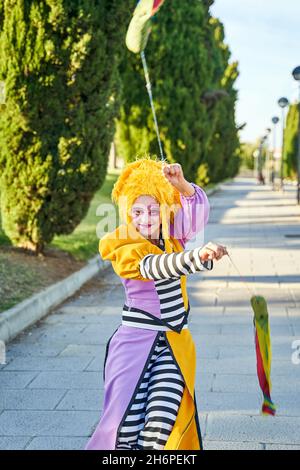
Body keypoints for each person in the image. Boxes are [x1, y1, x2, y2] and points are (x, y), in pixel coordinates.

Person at [84, 156, 227, 451]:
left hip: (174, 345)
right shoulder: (121, 244)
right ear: (127, 212)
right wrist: (195, 257)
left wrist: (182, 185)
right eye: (137, 211)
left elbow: (197, 214)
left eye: (152, 210)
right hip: (134, 346)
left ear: (163, 210)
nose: (145, 218)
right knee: (125, 430)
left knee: (161, 427)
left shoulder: (173, 236)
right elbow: (153, 267)